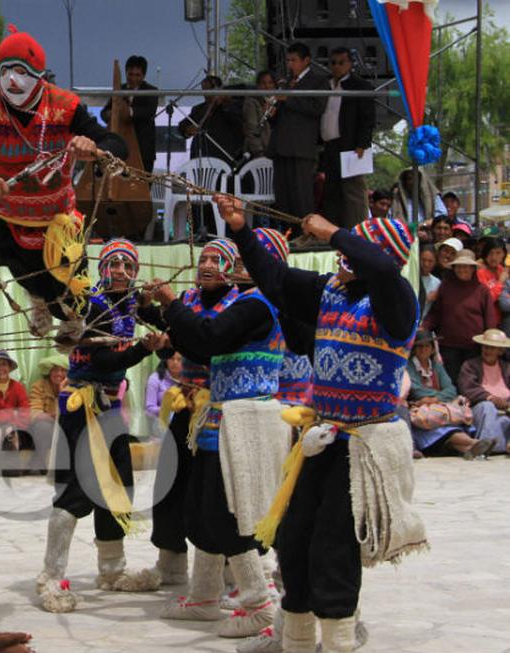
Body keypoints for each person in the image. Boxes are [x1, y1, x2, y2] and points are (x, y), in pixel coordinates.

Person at [217, 195, 425, 653]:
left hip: (364, 446)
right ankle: (295, 641)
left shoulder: (396, 302)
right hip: (322, 438)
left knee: (334, 548)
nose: (341, 259)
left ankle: (338, 643)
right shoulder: (331, 290)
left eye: (351, 254)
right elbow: (275, 281)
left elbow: (386, 271)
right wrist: (240, 229)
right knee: (294, 541)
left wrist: (334, 230)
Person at [0, 26, 128, 340]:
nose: (12, 79)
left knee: (66, 279)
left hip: (57, 216)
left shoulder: (66, 105)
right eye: (4, 71)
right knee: (23, 270)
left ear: (39, 74)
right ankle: (37, 302)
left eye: (21, 71)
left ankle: (70, 317)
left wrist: (94, 149)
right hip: (9, 213)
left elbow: (116, 144)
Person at [151, 239, 289, 639]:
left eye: (247, 261)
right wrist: (169, 322)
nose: (236, 267)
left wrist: (172, 304)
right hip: (222, 420)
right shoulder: (244, 304)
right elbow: (201, 344)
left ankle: (259, 604)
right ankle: (204, 596)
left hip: (243, 422)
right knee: (201, 507)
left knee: (227, 513)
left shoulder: (258, 304)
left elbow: (209, 338)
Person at [36, 239, 164, 614]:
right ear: (101, 269)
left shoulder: (128, 303)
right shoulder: (91, 304)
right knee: (77, 490)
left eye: (128, 266)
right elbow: (104, 358)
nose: (121, 272)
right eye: (114, 264)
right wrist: (144, 348)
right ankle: (50, 575)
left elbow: (162, 323)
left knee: (118, 487)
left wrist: (156, 309)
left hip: (108, 407)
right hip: (83, 405)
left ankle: (111, 571)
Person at [144, 239, 241, 595]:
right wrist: (147, 307)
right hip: (186, 407)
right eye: (204, 258)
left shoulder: (239, 304)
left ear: (232, 268)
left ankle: (233, 573)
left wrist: (170, 310)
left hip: (222, 412)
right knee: (169, 485)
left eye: (217, 259)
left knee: (219, 491)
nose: (208, 264)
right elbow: (171, 325)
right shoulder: (188, 299)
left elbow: (203, 338)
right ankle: (170, 566)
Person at [265, 42, 328, 226]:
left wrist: (289, 99)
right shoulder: (285, 82)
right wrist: (272, 113)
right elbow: (280, 116)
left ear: (306, 60)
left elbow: (317, 108)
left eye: (294, 60)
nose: (290, 64)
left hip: (301, 146)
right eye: (288, 60)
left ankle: (306, 233)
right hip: (281, 146)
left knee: (301, 195)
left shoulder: (318, 81)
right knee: (282, 196)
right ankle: (286, 233)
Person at [405, 330, 492, 459]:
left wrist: (433, 399)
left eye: (427, 346)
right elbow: (417, 391)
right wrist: (438, 396)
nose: (423, 349)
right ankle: (474, 444)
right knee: (442, 431)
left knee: (450, 427)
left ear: (432, 349)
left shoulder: (436, 367)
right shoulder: (409, 367)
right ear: (415, 349)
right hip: (422, 416)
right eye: (420, 346)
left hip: (441, 410)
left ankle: (469, 448)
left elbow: (451, 389)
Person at [319, 48, 374, 230]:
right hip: (329, 144)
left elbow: (367, 118)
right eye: (333, 62)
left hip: (351, 146)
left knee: (353, 191)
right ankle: (333, 231)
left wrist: (362, 144)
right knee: (331, 190)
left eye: (341, 62)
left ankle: (357, 230)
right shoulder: (326, 84)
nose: (336, 66)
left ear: (350, 64)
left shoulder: (360, 86)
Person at [423, 249, 498, 384]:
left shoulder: (482, 290)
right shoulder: (445, 287)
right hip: (448, 345)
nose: (463, 269)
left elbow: (490, 319)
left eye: (466, 266)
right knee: (450, 381)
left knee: (471, 382)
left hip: (473, 347)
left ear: (473, 269)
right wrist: (425, 327)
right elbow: (436, 313)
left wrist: (490, 344)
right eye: (459, 266)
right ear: (454, 268)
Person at [101, 55, 158, 172]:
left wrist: (129, 112)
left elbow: (149, 112)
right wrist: (110, 114)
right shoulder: (119, 89)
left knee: (143, 185)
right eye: (130, 74)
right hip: (120, 148)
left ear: (144, 75)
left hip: (143, 149)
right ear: (126, 73)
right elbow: (104, 112)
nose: (133, 78)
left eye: (137, 75)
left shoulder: (151, 91)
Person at [458, 328, 510, 456]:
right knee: (488, 407)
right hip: (480, 407)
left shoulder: (507, 367)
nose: (487, 350)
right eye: (485, 347)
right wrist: (491, 398)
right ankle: (489, 447)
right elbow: (467, 389)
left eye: (492, 348)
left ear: (500, 351)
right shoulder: (470, 365)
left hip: (506, 408)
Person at [178, 75, 243, 163]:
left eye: (210, 89)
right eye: (204, 90)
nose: (207, 94)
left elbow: (238, 123)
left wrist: (226, 103)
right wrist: (187, 130)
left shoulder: (229, 106)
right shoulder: (198, 109)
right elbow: (182, 127)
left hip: (224, 157)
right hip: (200, 157)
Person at [145, 350, 184, 434]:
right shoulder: (155, 378)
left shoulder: (189, 379)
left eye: (179, 359)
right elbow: (149, 409)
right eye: (171, 359)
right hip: (162, 426)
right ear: (166, 360)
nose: (175, 362)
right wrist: (169, 409)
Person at [242, 70, 276, 159]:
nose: (267, 86)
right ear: (257, 85)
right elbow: (251, 130)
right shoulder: (251, 102)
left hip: (277, 152)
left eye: (270, 83)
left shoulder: (279, 102)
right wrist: (259, 153)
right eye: (263, 83)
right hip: (259, 153)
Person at [475, 237, 506, 312]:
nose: (494, 257)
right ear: (485, 254)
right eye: (490, 253)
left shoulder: (502, 269)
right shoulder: (479, 272)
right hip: (488, 319)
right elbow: (487, 300)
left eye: (498, 253)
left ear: (504, 254)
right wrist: (500, 282)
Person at [420, 246, 441, 318]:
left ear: (435, 262)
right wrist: (426, 298)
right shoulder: (410, 277)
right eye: (423, 260)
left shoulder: (437, 283)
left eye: (430, 261)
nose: (426, 264)